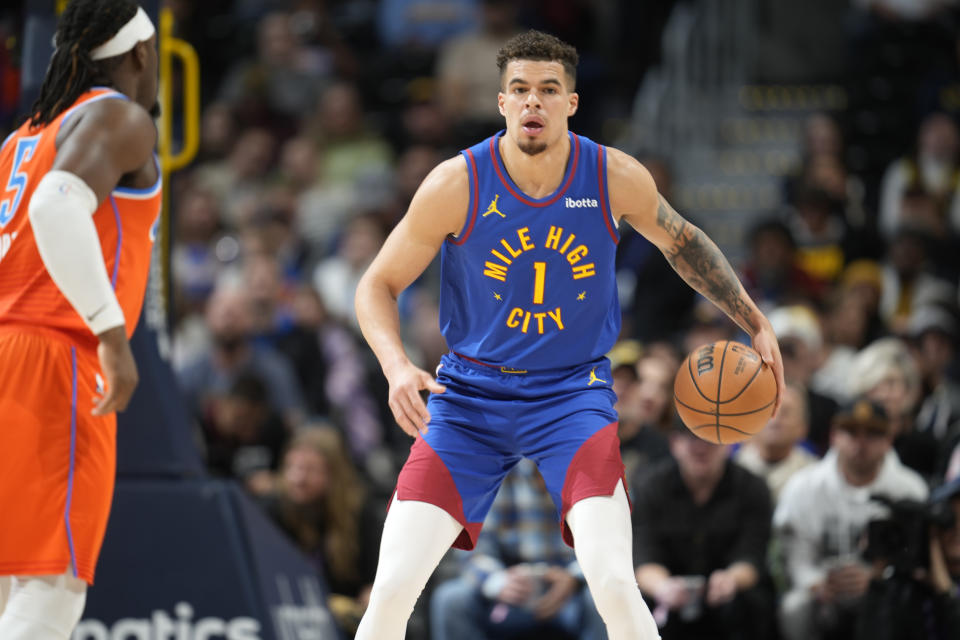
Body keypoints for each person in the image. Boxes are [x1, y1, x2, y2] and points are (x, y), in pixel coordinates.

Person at [352, 30, 785, 640]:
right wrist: (398, 366)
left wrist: (755, 321)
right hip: (471, 398)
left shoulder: (611, 175)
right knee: (393, 587)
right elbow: (376, 285)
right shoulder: (457, 182)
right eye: (521, 91)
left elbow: (683, 243)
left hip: (570, 397)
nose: (534, 102)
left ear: (571, 102)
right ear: (501, 102)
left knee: (613, 580)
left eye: (549, 90)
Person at [0, 1, 159, 638]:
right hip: (56, 357)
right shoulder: (119, 117)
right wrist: (111, 336)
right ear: (143, 54)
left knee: (14, 578)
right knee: (51, 587)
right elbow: (58, 206)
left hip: (7, 348)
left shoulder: (22, 137)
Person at [774, 397, 929, 640]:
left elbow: (920, 561)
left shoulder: (909, 490)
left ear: (889, 440)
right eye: (851, 432)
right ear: (834, 436)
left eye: (872, 434)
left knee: (905, 604)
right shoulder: (804, 487)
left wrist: (878, 579)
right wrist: (817, 584)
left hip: (888, 593)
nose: (861, 442)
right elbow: (794, 557)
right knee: (795, 606)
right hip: (823, 592)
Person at [430, 459, 606, 640]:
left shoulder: (596, 473)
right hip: (509, 585)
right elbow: (474, 550)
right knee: (451, 599)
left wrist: (573, 578)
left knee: (604, 598)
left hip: (572, 590)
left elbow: (608, 549)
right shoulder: (497, 474)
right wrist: (499, 582)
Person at [633, 420, 776, 640]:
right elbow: (643, 558)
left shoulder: (752, 487)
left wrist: (731, 579)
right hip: (669, 593)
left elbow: (752, 555)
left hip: (730, 595)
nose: (701, 447)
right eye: (691, 437)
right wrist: (663, 587)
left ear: (729, 444)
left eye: (711, 439)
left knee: (752, 603)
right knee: (639, 604)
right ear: (674, 443)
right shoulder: (650, 486)